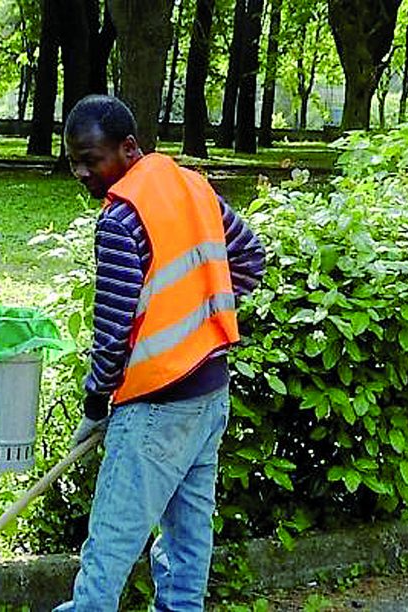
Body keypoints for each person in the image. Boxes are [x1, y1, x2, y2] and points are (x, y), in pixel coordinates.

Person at [54, 94, 265, 611]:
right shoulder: (193, 186)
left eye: (91, 158)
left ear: (128, 149)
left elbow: (111, 331)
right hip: (210, 396)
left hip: (154, 410)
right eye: (73, 161)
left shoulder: (121, 218)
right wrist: (197, 319)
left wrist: (94, 404)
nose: (81, 172)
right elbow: (250, 257)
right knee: (186, 550)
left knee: (107, 554)